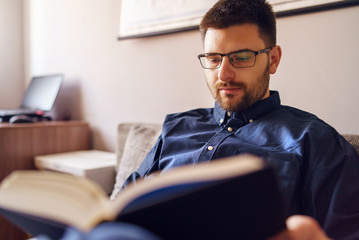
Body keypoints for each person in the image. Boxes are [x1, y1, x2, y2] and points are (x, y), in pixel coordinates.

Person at [120, 0, 359, 239]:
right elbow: (120, 206)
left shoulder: (315, 140)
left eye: (242, 57)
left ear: (273, 59)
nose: (223, 74)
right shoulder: (176, 127)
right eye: (214, 59)